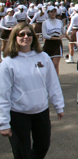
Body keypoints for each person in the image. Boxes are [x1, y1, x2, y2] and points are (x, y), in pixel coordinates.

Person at [0, 23, 64, 158]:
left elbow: (52, 83)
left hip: (41, 111)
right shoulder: (8, 62)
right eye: (21, 34)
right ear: (15, 37)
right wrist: (4, 122)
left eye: (29, 34)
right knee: (22, 152)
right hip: (18, 113)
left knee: (43, 146)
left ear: (34, 37)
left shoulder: (43, 57)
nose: (26, 37)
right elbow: (3, 94)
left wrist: (59, 105)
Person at [42, 6, 66, 76]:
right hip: (49, 44)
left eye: (54, 11)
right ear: (48, 13)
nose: (53, 13)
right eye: (51, 12)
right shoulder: (45, 23)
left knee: (56, 64)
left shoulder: (59, 22)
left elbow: (63, 32)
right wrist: (56, 38)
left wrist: (66, 35)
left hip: (57, 44)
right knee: (48, 64)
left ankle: (56, 82)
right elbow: (45, 35)